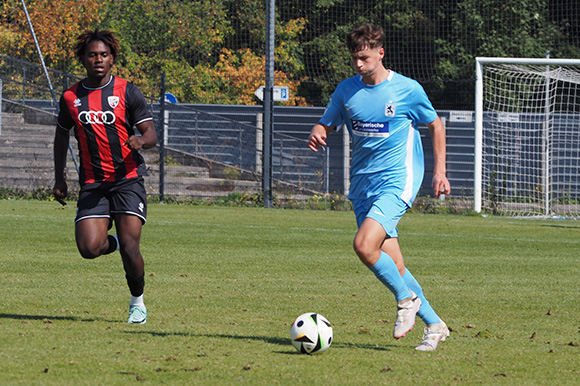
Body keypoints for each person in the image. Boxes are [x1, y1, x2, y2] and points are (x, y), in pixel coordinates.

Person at [308, 24, 450, 351]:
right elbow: (327, 120)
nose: (359, 64)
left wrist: (440, 172)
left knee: (363, 245)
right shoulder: (346, 91)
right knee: (395, 265)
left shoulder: (407, 90)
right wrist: (319, 129)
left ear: (380, 53)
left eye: (364, 57)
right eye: (354, 59)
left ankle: (405, 301)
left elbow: (435, 124)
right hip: (363, 186)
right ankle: (435, 325)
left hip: (397, 181)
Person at [53, 29, 157, 324]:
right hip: (93, 183)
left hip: (128, 179)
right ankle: (112, 240)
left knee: (130, 247)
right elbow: (61, 137)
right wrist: (59, 178)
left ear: (112, 59)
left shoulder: (127, 91)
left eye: (103, 55)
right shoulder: (71, 97)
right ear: (83, 59)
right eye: (92, 55)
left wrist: (141, 141)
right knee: (89, 248)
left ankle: (137, 301)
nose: (98, 59)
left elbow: (151, 133)